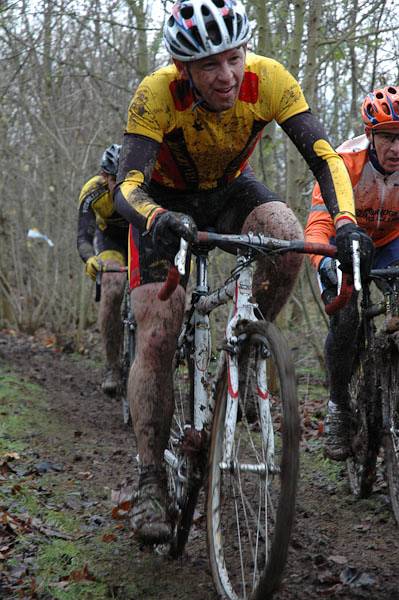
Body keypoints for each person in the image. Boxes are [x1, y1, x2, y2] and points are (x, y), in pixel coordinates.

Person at [113, 0, 373, 544]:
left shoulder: (270, 79)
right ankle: (150, 478)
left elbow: (325, 156)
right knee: (158, 332)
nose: (226, 75)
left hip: (230, 191)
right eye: (209, 65)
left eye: (234, 58)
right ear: (184, 69)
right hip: (163, 204)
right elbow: (126, 188)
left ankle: (248, 346)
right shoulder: (156, 94)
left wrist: (345, 221)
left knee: (284, 229)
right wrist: (156, 218)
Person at [305, 85, 399, 461]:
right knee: (345, 320)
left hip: (390, 243)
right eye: (389, 137)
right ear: (371, 135)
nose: (396, 149)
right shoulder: (344, 163)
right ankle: (339, 407)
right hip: (341, 244)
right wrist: (326, 265)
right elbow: (317, 226)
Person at [77, 143, 128, 396]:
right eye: (115, 180)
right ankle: (112, 366)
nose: (120, 187)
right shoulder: (93, 191)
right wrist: (90, 260)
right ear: (104, 176)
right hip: (111, 241)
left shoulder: (146, 186)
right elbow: (83, 237)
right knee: (112, 287)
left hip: (140, 239)